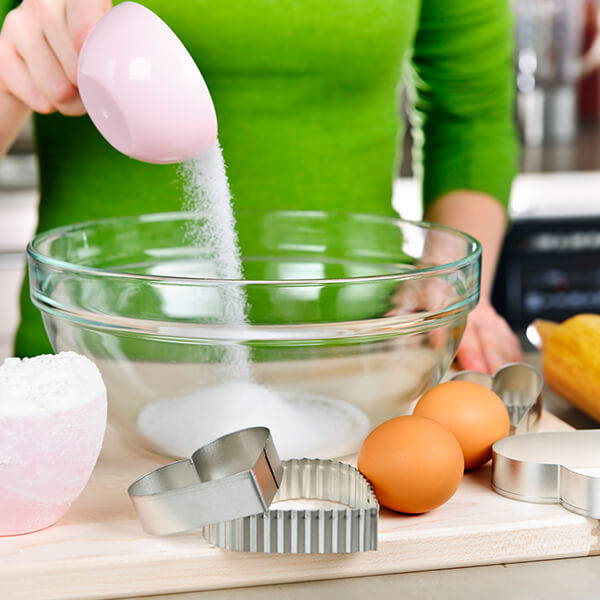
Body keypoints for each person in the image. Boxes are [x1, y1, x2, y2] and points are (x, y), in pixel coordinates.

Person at [0, 0, 523, 373]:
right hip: (93, 368)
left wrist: (446, 285)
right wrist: (12, 75)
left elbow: (471, 116)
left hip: (361, 364)